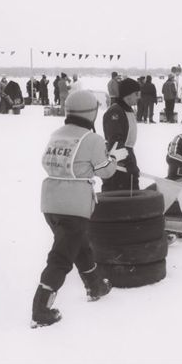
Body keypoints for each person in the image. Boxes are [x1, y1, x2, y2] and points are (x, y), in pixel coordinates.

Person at [32, 90, 126, 328]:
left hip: (50, 203)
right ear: (91, 113)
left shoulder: (56, 134)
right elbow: (105, 170)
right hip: (74, 205)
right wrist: (113, 157)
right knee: (61, 257)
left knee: (79, 244)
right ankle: (40, 309)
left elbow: (48, 162)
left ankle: (95, 286)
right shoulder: (91, 139)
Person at [102, 78, 142, 192]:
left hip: (128, 155)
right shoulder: (115, 112)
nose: (138, 97)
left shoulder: (127, 110)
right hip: (118, 160)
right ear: (128, 95)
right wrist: (127, 162)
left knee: (132, 192)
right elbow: (115, 141)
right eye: (136, 94)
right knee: (119, 195)